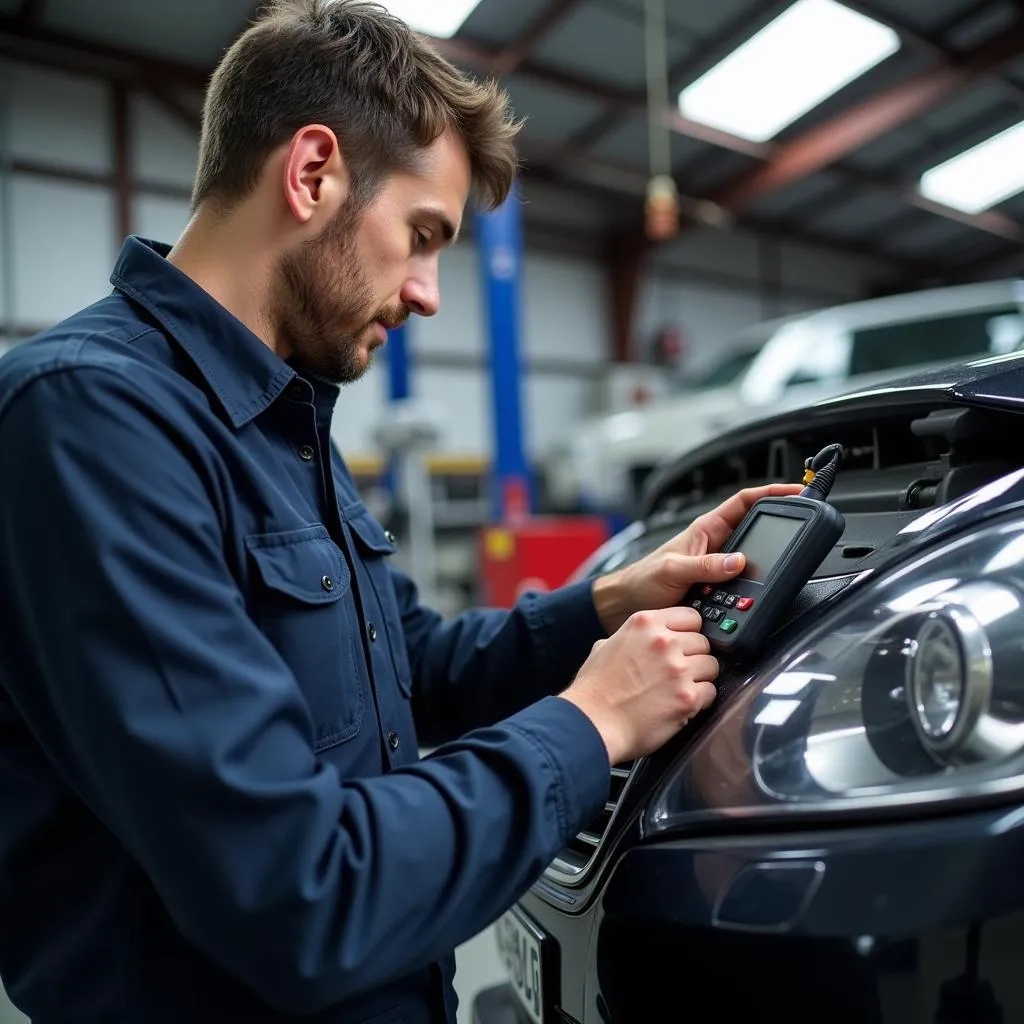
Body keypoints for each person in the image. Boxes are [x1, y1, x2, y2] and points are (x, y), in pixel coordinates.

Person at [0, 2, 801, 1021]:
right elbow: (300, 889)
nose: (427, 294)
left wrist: (602, 605)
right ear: (312, 173)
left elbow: (407, 672)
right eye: (422, 236)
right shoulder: (90, 418)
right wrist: (591, 721)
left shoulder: (283, 420)